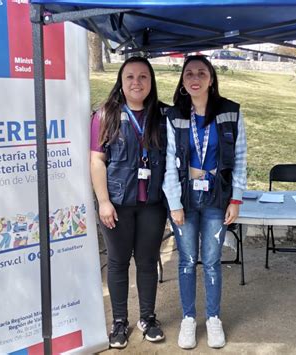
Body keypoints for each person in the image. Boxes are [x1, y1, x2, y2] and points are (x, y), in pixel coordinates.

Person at [162, 55, 247, 349]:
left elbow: (240, 159)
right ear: (183, 82)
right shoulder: (174, 116)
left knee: (211, 262)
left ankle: (213, 318)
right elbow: (167, 164)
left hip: (217, 198)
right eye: (189, 74)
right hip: (185, 199)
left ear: (211, 78)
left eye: (201, 72)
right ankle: (188, 318)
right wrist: (174, 203)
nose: (194, 77)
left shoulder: (230, 112)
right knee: (186, 261)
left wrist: (236, 199)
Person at [90, 56, 168, 349]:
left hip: (153, 203)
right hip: (118, 203)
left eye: (143, 77)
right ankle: (119, 321)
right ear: (121, 83)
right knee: (118, 262)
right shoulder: (105, 115)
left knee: (147, 262)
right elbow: (97, 160)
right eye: (130, 77)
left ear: (151, 82)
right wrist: (103, 202)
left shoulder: (162, 115)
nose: (137, 82)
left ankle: (147, 318)